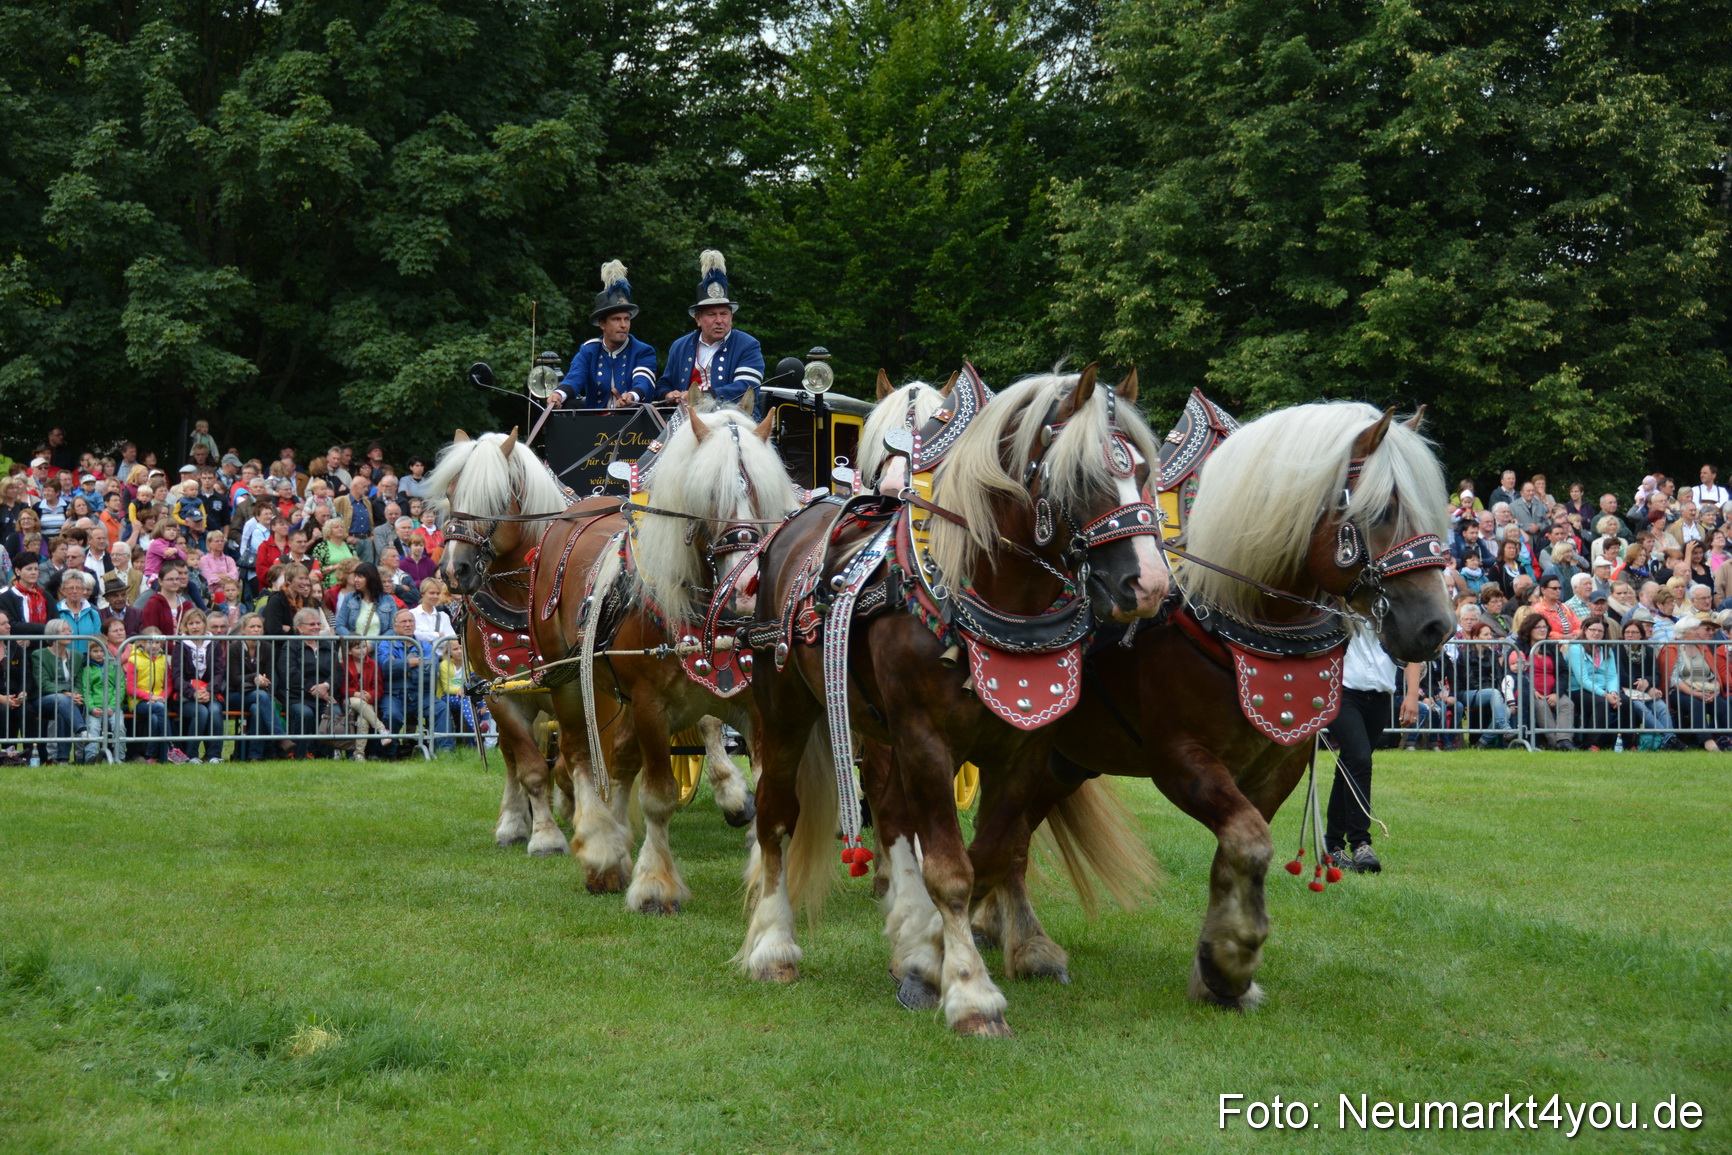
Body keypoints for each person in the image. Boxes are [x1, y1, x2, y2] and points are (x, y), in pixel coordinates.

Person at [1323, 629, 1420, 874]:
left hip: (1379, 697)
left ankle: (1333, 844)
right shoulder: (1343, 604)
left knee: (1350, 765)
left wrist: (1411, 695)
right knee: (1359, 759)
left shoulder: (1390, 608)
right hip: (1342, 693)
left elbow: (1412, 650)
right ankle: (1361, 843)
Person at [654, 249, 765, 408]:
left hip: (732, 419)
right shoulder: (680, 346)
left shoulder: (748, 345)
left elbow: (746, 387)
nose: (719, 321)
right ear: (698, 319)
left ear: (731, 317)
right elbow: (664, 383)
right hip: (687, 420)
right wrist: (669, 394)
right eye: (712, 314)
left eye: (724, 314)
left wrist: (701, 397)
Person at [553, 261, 659, 408]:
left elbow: (643, 382)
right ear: (602, 324)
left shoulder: (643, 351)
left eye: (626, 319)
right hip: (594, 424)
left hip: (633, 423)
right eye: (616, 319)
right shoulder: (588, 351)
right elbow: (574, 379)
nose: (623, 325)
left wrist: (631, 396)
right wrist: (558, 395)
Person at [276, 606, 339, 758]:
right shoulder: (291, 646)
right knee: (305, 713)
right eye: (312, 624)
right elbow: (289, 673)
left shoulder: (327, 645)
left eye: (318, 624)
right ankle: (299, 753)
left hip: (324, 695)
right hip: (298, 696)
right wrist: (313, 690)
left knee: (333, 712)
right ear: (300, 627)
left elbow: (337, 671)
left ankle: (324, 754)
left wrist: (326, 686)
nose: (317, 627)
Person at [1661, 615, 1732, 749]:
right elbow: (1674, 679)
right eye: (1695, 629)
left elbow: (1712, 674)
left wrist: (1716, 690)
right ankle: (1707, 741)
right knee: (1695, 704)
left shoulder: (1702, 647)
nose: (1699, 632)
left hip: (1706, 689)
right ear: (1683, 632)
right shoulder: (1672, 648)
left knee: (1722, 705)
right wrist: (1695, 693)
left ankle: (1727, 738)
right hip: (1681, 691)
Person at [168, 606, 225, 763]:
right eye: (191, 623)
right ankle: (191, 755)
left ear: (204, 624)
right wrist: (193, 693)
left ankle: (214, 755)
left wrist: (209, 690)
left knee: (214, 710)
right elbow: (177, 675)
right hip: (186, 696)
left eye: (198, 623)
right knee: (201, 712)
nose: (194, 626)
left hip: (209, 692)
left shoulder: (213, 643)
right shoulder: (181, 645)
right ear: (185, 626)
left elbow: (219, 672)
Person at [1509, 613, 1574, 749]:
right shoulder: (1519, 647)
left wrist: (1556, 693)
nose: (1542, 630)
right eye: (1538, 627)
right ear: (1529, 629)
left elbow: (1563, 672)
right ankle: (1554, 742)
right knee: (1540, 706)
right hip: (1530, 692)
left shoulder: (1550, 646)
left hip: (1552, 691)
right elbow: (1512, 670)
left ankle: (1564, 740)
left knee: (1567, 704)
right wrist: (1531, 690)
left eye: (1544, 627)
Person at [32, 620, 85, 764]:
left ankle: (63, 759)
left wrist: (75, 694)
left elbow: (78, 682)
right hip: (43, 700)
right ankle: (82, 732)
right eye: (64, 630)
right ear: (53, 634)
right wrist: (66, 693)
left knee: (64, 707)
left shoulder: (77, 656)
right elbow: (43, 683)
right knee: (62, 700)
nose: (69, 633)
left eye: (70, 630)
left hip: (69, 701)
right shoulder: (39, 655)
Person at [78, 618, 129, 763]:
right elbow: (86, 690)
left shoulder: (114, 666)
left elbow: (120, 687)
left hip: (112, 707)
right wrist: (92, 707)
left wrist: (113, 706)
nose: (99, 654)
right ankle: (91, 758)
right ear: (89, 652)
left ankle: (119, 757)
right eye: (95, 651)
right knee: (93, 728)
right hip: (95, 707)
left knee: (119, 727)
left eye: (102, 650)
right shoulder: (87, 669)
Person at [409, 577, 456, 644]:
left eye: (438, 593)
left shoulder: (444, 616)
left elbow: (451, 639)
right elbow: (414, 635)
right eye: (432, 593)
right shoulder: (412, 614)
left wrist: (427, 637)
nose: (435, 596)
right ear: (422, 594)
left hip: (441, 654)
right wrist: (437, 635)